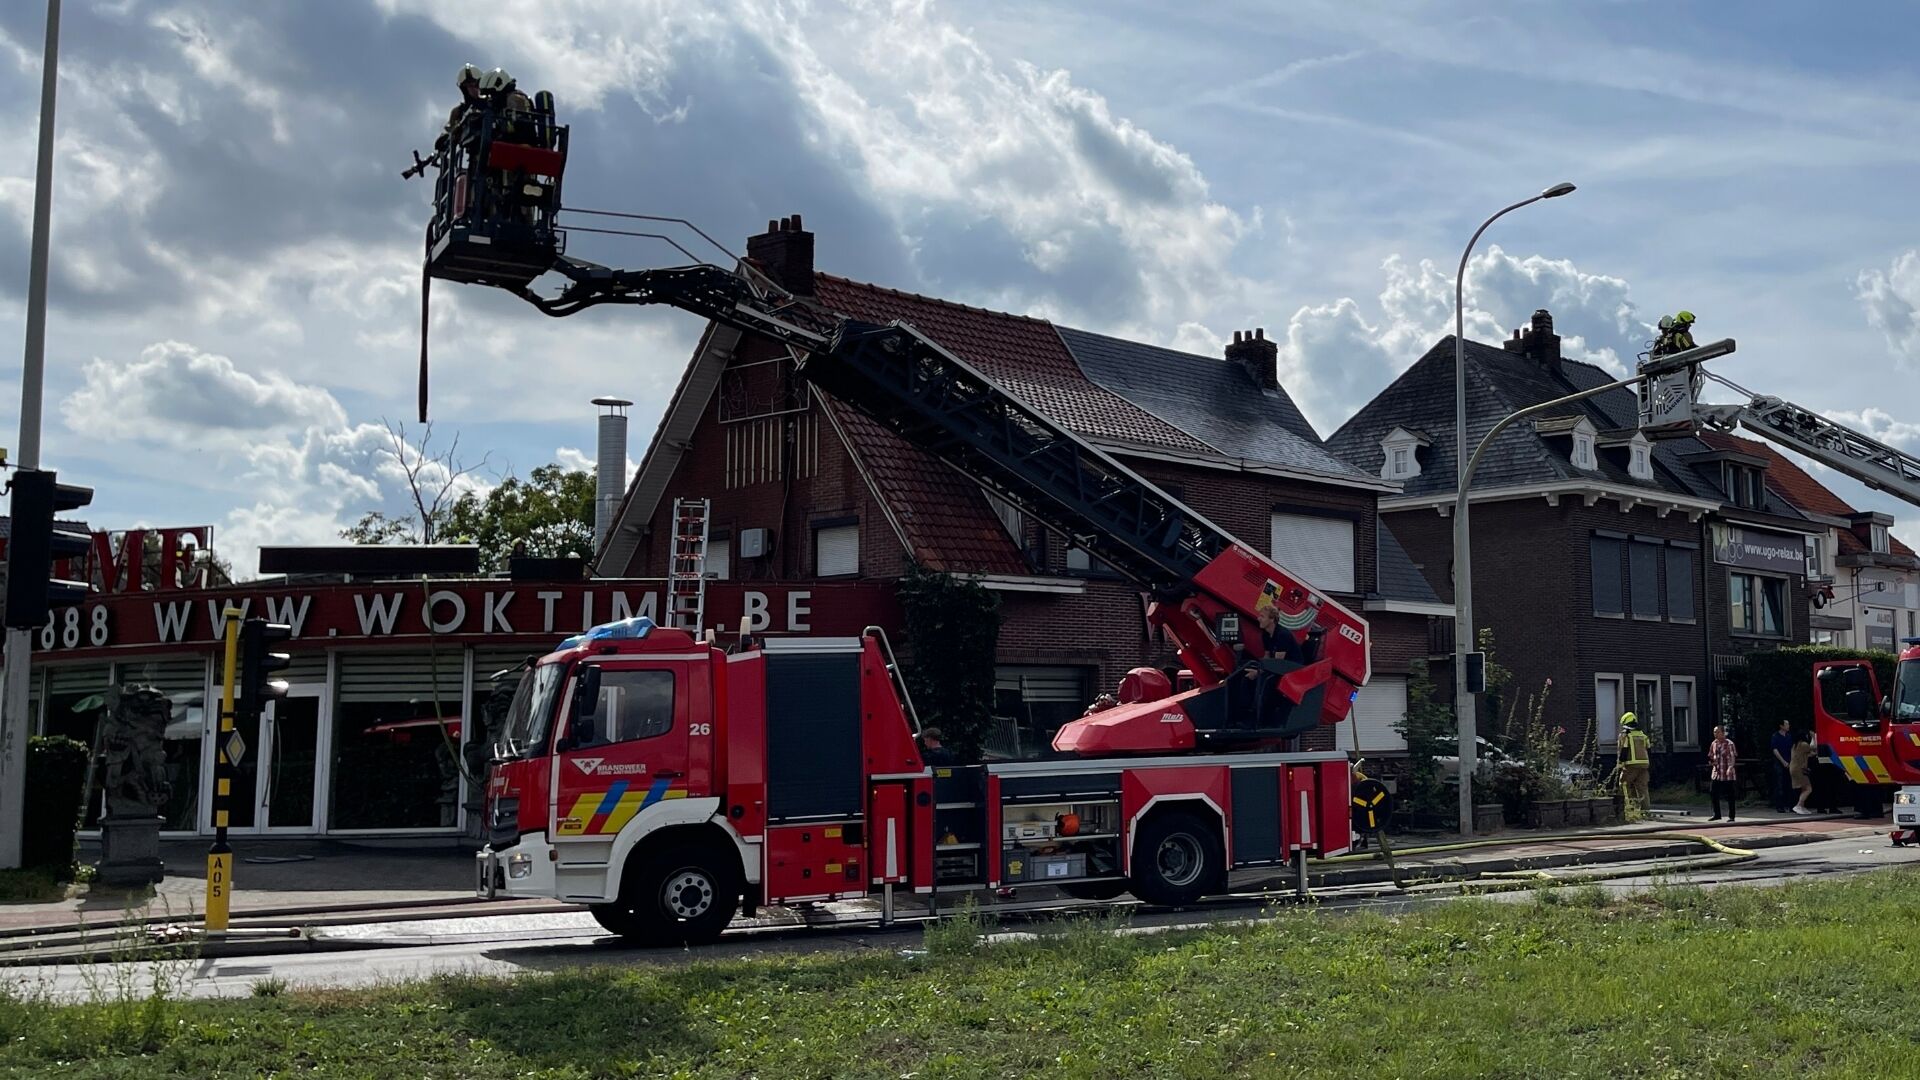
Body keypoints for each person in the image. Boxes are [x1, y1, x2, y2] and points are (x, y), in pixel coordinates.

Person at [1619, 711, 1651, 813]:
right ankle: (1645, 811)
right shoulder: (1643, 735)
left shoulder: (1626, 735)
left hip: (1631, 765)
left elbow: (1624, 751)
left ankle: (1629, 808)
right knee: (1642, 788)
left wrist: (1620, 764)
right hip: (1644, 765)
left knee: (1624, 785)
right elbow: (1649, 749)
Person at [1706, 724, 1738, 822]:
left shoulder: (1729, 744)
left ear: (1723, 733)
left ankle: (1731, 816)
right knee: (1713, 792)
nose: (1715, 734)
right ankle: (1717, 814)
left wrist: (1730, 767)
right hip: (1717, 772)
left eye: (1717, 732)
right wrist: (1711, 762)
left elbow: (1732, 757)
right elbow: (1710, 756)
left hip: (1727, 772)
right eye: (1714, 732)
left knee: (1730, 794)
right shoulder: (1714, 743)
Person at [1769, 718, 1796, 812]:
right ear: (1781, 726)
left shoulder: (1789, 736)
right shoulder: (1775, 736)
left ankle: (1791, 805)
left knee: (1790, 784)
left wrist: (1791, 760)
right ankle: (1780, 806)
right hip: (1779, 762)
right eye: (1786, 724)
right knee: (1779, 784)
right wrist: (1783, 761)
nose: (1788, 726)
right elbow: (1775, 750)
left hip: (1789, 761)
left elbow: (1792, 748)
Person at [1789, 729, 1816, 815]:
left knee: (1803, 788)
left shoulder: (1794, 745)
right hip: (1800, 769)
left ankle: (1802, 807)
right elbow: (1814, 747)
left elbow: (1808, 754)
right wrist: (1814, 737)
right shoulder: (1803, 744)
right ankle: (1799, 805)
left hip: (1793, 768)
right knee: (1808, 788)